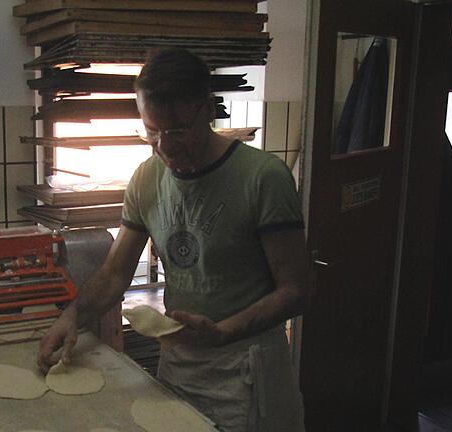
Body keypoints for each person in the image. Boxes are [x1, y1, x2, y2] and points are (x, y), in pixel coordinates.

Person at [37, 48, 310, 432]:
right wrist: (71, 317)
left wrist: (224, 332)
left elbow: (296, 289)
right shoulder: (147, 180)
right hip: (180, 366)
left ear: (208, 110)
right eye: (152, 131)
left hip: (248, 369)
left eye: (178, 131)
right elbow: (116, 273)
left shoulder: (263, 179)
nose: (165, 146)